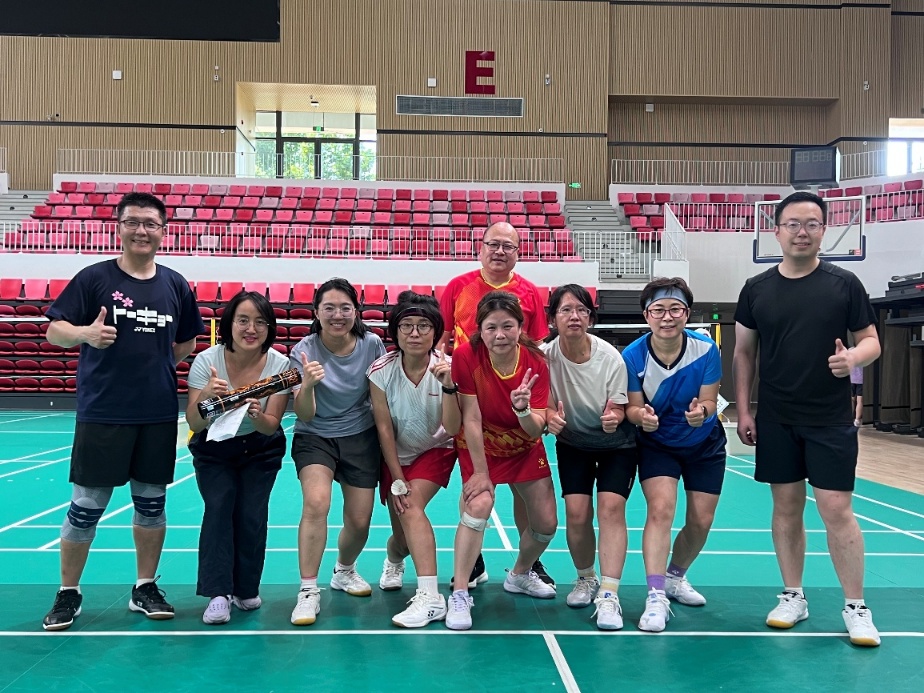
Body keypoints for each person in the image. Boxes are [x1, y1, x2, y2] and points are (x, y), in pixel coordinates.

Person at [41, 192, 204, 631]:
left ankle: (144, 587)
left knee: (151, 505)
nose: (141, 231)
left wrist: (157, 365)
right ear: (119, 227)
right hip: (103, 412)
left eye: (150, 223)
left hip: (156, 414)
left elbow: (187, 341)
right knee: (85, 507)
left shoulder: (175, 284)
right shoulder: (93, 278)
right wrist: (85, 335)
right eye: (132, 222)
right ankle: (68, 592)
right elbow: (55, 330)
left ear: (163, 231)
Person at [733, 190, 882, 647]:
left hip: (830, 418)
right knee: (786, 508)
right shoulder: (756, 289)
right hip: (777, 417)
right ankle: (793, 596)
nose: (802, 231)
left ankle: (856, 606)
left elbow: (872, 341)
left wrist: (852, 358)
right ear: (777, 231)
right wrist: (744, 409)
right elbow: (743, 353)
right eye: (793, 224)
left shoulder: (845, 284)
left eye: (812, 224)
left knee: (836, 509)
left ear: (823, 231)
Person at [439, 221, 553, 588]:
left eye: (508, 245)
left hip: (516, 402)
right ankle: (472, 563)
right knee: (475, 489)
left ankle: (528, 564)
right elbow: (443, 338)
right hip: (469, 395)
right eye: (493, 244)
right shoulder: (458, 286)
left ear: (518, 252)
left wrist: (537, 407)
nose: (499, 251)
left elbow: (536, 350)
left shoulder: (530, 292)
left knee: (526, 494)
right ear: (481, 247)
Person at [445, 291, 558, 630]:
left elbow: (536, 427)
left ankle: (520, 574)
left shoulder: (536, 361)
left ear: (520, 328)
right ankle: (460, 592)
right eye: (491, 327)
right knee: (478, 505)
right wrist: (481, 473)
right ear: (479, 329)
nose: (500, 335)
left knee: (546, 524)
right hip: (480, 444)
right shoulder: (466, 355)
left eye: (508, 326)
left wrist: (522, 408)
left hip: (523, 445)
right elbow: (471, 417)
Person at [622, 277, 725, 633]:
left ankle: (675, 577)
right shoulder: (633, 356)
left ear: (687, 313)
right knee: (661, 510)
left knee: (701, 521)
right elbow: (632, 407)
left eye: (675, 309)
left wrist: (703, 413)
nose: (667, 317)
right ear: (646, 315)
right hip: (658, 444)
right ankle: (655, 596)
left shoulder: (706, 349)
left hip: (704, 443)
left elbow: (709, 400)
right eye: (659, 310)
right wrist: (642, 417)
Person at [186, 291, 292, 625]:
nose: (251, 329)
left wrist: (257, 415)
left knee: (251, 514)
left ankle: (245, 588)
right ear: (229, 324)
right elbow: (194, 422)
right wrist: (205, 396)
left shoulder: (279, 365)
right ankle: (218, 593)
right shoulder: (207, 362)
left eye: (260, 322)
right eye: (243, 320)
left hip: (260, 448)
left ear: (269, 327)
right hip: (215, 447)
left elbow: (271, 425)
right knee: (219, 507)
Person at [288, 278, 386, 626]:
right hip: (315, 435)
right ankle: (307, 590)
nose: (337, 315)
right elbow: (304, 414)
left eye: (345, 307)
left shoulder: (372, 344)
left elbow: (380, 395)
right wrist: (308, 385)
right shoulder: (303, 351)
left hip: (360, 436)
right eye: (329, 308)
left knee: (359, 521)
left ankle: (344, 570)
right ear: (316, 312)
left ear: (356, 311)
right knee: (316, 503)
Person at [542, 284, 638, 630]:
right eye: (566, 310)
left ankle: (609, 594)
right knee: (577, 512)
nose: (574, 316)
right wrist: (550, 417)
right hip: (573, 443)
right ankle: (586, 578)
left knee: (611, 510)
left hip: (617, 444)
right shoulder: (544, 357)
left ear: (591, 318)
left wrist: (615, 416)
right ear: (553, 319)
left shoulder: (610, 358)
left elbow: (621, 408)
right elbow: (544, 405)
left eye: (582, 310)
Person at [367, 291, 461, 628]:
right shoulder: (381, 371)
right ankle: (394, 558)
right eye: (407, 325)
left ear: (435, 331)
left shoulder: (448, 368)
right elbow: (383, 428)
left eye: (424, 326)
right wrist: (397, 477)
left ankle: (431, 597)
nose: (415, 333)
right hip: (395, 455)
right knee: (404, 538)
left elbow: (453, 427)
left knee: (411, 508)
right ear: (396, 331)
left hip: (436, 448)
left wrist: (448, 386)